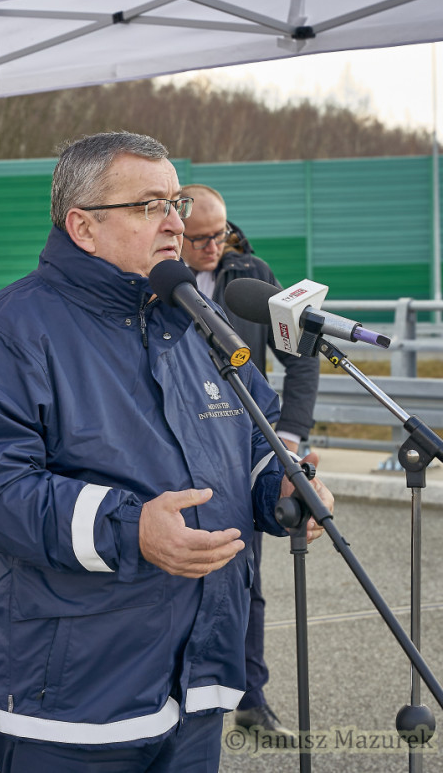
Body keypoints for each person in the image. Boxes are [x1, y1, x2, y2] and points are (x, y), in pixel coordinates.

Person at [0, 132, 333, 773]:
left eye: (174, 201)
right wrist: (131, 527)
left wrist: (282, 487)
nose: (176, 223)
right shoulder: (9, 332)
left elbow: (251, 437)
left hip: (196, 685)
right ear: (83, 227)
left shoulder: (194, 318)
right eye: (150, 205)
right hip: (71, 700)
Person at [181, 183, 319, 738]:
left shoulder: (253, 276)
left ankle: (251, 699)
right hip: (171, 451)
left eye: (221, 234)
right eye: (199, 238)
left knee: (246, 579)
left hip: (241, 450)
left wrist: (288, 433)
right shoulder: (149, 277)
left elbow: (300, 354)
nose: (213, 246)